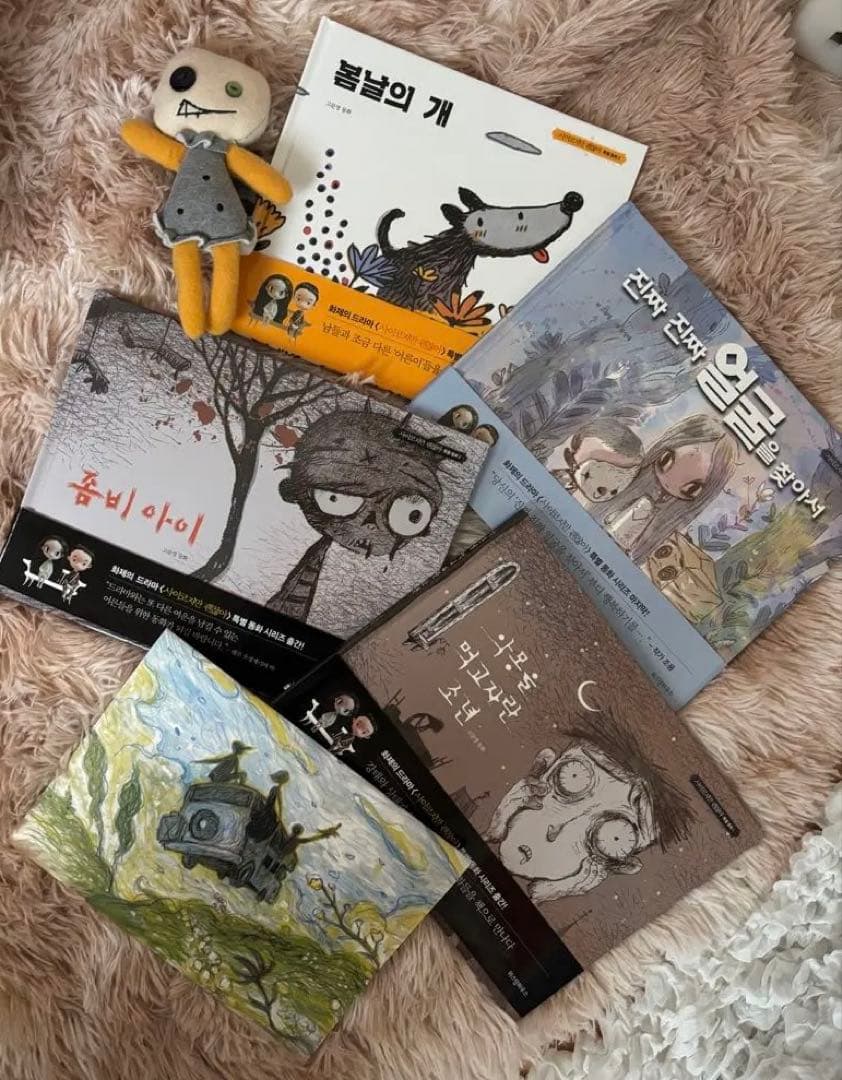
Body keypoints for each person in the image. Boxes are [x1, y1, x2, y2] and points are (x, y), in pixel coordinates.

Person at [595, 415, 739, 563]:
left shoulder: (665, 526)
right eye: (666, 461)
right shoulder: (624, 482)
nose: (668, 483)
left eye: (691, 488)